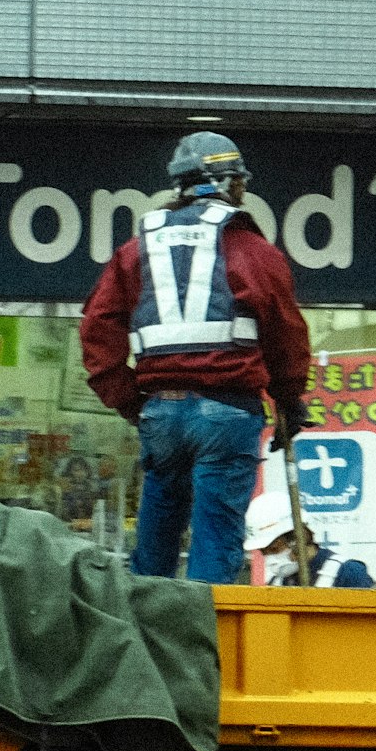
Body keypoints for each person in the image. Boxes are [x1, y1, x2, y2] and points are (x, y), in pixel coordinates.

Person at [80, 132, 313, 587]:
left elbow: (97, 327)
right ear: (224, 183)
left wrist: (131, 401)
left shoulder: (136, 250)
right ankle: (204, 646)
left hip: (161, 411)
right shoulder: (253, 252)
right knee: (215, 541)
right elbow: (285, 331)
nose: (244, 190)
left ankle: (147, 638)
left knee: (156, 539)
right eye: (240, 182)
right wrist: (288, 400)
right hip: (228, 414)